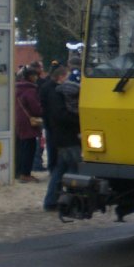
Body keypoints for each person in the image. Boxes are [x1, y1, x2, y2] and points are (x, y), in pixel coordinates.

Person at [43, 69, 80, 211]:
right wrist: (79, 121)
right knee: (74, 169)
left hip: (59, 136)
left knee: (61, 169)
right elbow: (61, 115)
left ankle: (52, 200)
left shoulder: (51, 90)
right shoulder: (58, 94)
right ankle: (70, 201)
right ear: (60, 77)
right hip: (68, 137)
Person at [38, 64, 68, 178]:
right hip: (54, 122)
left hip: (48, 121)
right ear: (60, 76)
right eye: (66, 76)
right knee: (55, 147)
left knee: (51, 146)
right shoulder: (55, 89)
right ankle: (55, 169)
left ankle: (52, 167)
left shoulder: (46, 86)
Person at [14, 67, 43, 183]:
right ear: (30, 77)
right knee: (29, 148)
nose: (36, 78)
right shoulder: (30, 90)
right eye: (35, 75)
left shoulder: (16, 88)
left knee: (20, 147)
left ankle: (19, 172)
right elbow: (36, 109)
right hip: (28, 122)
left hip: (18, 120)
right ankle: (26, 174)